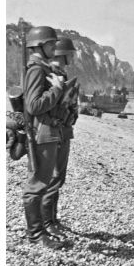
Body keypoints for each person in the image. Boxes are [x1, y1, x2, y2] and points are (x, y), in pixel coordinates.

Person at [22, 25, 67, 249]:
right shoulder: (36, 70)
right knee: (37, 183)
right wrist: (56, 90)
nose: (54, 47)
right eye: (50, 44)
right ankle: (36, 235)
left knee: (43, 182)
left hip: (48, 132)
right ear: (39, 45)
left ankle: (39, 232)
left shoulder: (42, 68)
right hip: (42, 133)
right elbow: (33, 105)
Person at [45, 37, 78, 238]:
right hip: (54, 131)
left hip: (63, 131)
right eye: (71, 53)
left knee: (58, 177)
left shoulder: (61, 74)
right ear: (63, 54)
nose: (73, 56)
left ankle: (52, 218)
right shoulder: (51, 75)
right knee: (53, 177)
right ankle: (47, 221)